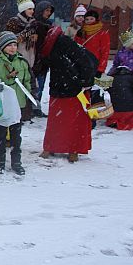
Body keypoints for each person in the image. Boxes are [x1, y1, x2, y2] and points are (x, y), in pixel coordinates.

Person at [34, 25, 97, 163]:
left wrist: (85, 81)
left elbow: (83, 60)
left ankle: (73, 149)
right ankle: (50, 147)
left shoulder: (62, 42)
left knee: (74, 122)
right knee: (55, 122)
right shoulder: (46, 46)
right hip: (58, 85)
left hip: (74, 86)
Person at [0, 32, 31, 175]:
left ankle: (16, 162)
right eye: (9, 45)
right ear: (2, 47)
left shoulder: (22, 62)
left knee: (16, 136)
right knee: (0, 135)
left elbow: (29, 82)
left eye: (14, 45)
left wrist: (32, 97)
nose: (13, 48)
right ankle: (0, 162)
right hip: (2, 106)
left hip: (17, 105)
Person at [106, 66, 133, 130]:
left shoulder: (110, 79)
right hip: (130, 109)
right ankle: (127, 122)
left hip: (114, 110)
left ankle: (114, 121)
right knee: (130, 116)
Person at [5, 0, 37, 68]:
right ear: (23, 9)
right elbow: (12, 40)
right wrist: (27, 31)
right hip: (17, 58)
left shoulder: (33, 22)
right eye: (30, 9)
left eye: (33, 9)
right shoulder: (14, 21)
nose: (32, 11)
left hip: (31, 58)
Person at [75, 9, 110, 77]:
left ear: (96, 19)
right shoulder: (82, 32)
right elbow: (76, 47)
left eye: (91, 19)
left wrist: (101, 69)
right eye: (87, 19)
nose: (89, 21)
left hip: (95, 65)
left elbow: (105, 52)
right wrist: (78, 36)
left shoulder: (103, 33)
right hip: (82, 64)